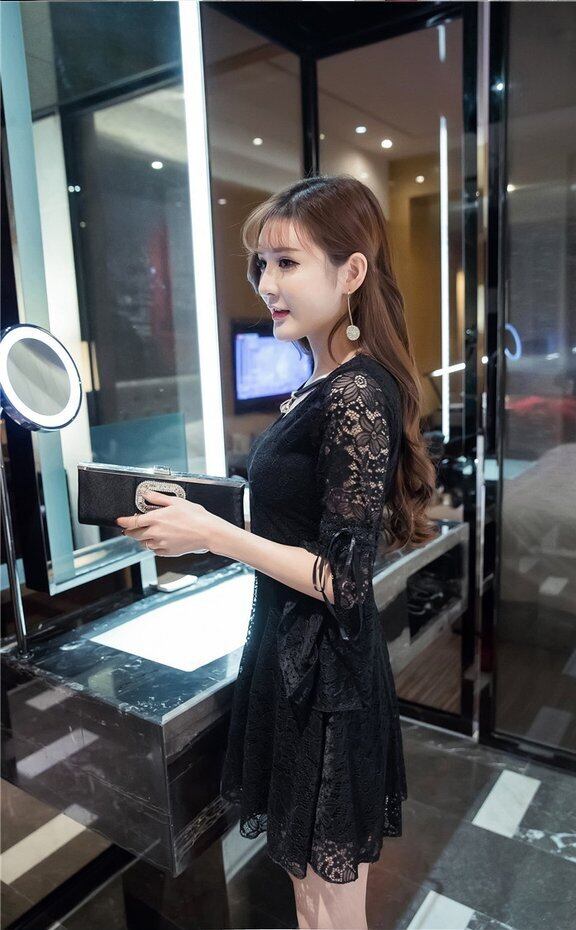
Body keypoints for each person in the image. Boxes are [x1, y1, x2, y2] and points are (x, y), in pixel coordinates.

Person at [118, 174, 438, 929]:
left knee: (329, 909)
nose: (266, 284)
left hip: (326, 677)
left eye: (287, 263)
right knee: (309, 898)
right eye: (261, 264)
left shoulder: (357, 393)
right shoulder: (319, 381)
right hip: (292, 657)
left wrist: (210, 534)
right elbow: (299, 518)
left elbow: (343, 578)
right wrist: (203, 512)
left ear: (351, 272)